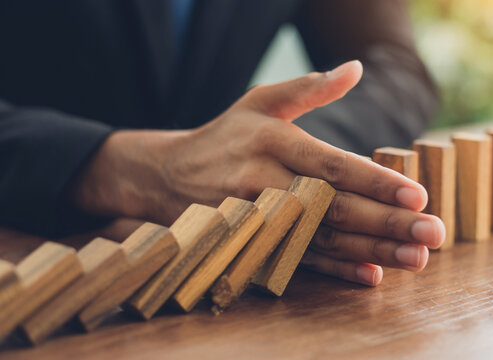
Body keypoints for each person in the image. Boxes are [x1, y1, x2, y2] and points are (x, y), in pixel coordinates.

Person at [0, 0, 444, 286]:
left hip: (207, 273)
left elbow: (395, 67)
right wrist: (124, 170)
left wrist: (285, 158)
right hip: (28, 265)